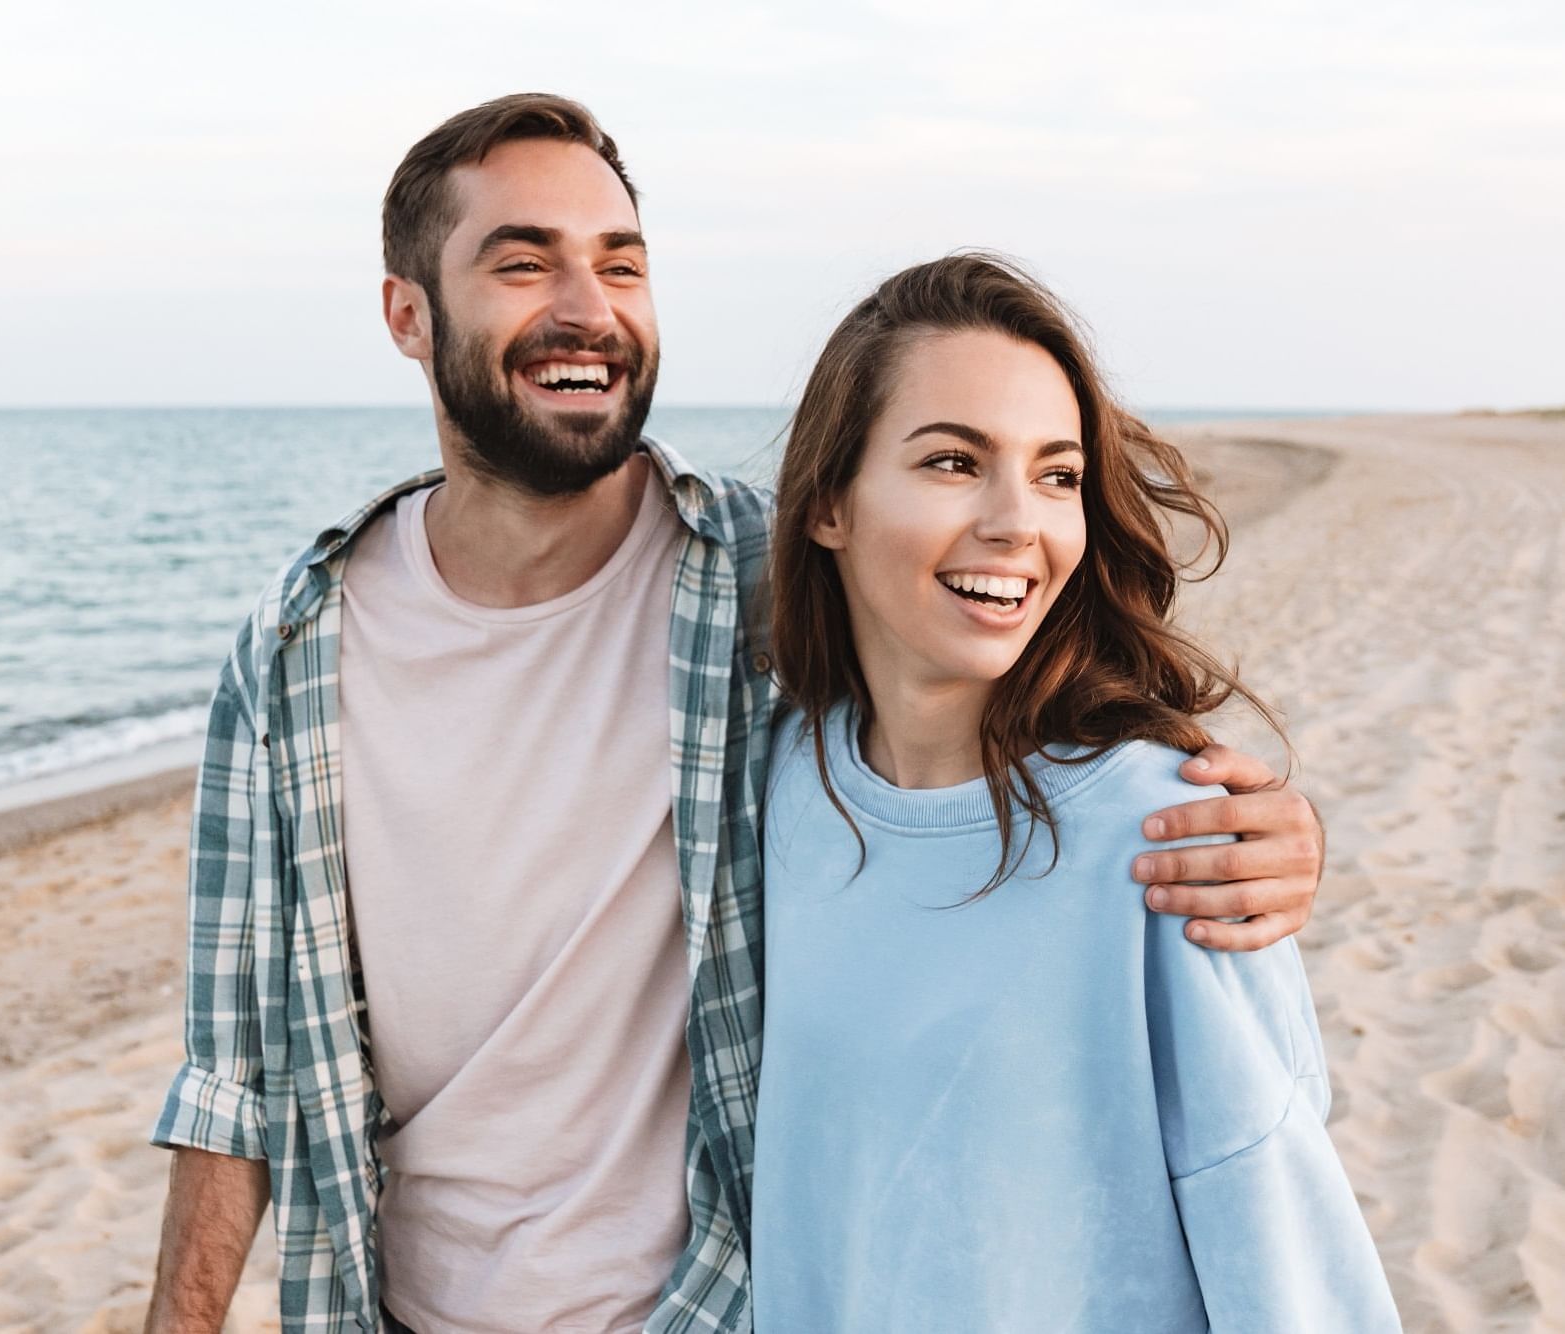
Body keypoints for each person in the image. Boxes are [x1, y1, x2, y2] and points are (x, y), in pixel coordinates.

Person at [142, 95, 1329, 1334]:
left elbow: (1004, 686)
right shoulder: (294, 650)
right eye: (522, 261)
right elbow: (235, 1067)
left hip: (710, 1307)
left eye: (622, 263)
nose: (586, 307)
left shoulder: (773, 581)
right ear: (406, 313)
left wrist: (1267, 828)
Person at [751, 253, 1398, 1331]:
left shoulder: (1169, 836)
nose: (1021, 523)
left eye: (1057, 475)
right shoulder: (782, 785)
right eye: (955, 462)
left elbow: (1286, 1251)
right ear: (828, 504)